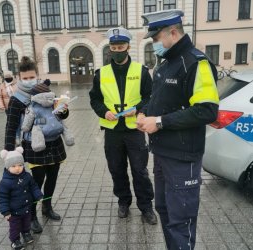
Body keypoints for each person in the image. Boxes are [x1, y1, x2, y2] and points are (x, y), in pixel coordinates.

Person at [137, 9, 220, 249]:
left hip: (183, 158)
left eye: (155, 39)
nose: (154, 44)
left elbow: (207, 110)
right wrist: (144, 112)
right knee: (163, 209)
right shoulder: (165, 64)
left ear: (172, 33)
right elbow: (160, 100)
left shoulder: (196, 62)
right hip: (162, 153)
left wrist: (160, 121)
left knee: (181, 220)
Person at [89, 27, 157, 225]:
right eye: (113, 47)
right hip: (112, 132)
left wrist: (137, 109)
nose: (117, 50)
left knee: (140, 170)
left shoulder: (141, 71)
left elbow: (150, 97)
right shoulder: (101, 74)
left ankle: (146, 206)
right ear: (109, 48)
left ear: (128, 47)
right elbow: (94, 99)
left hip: (135, 129)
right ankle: (123, 202)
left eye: (121, 46)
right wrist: (104, 112)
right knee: (116, 169)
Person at [4, 56, 68, 234]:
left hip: (54, 142)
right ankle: (31, 215)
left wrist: (64, 110)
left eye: (31, 76)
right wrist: (9, 152)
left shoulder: (46, 91)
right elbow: (10, 127)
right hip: (33, 146)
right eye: (25, 78)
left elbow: (59, 116)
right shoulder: (16, 100)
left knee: (52, 178)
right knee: (35, 182)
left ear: (37, 75)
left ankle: (47, 207)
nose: (28, 80)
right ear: (19, 78)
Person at [0, 146, 43, 250]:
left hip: (27, 208)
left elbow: (34, 187)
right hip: (14, 212)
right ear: (7, 167)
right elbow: (2, 198)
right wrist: (5, 211)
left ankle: (26, 233)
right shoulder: (5, 182)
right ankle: (15, 241)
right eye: (13, 166)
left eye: (20, 165)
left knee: (26, 223)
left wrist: (38, 195)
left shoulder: (27, 176)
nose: (17, 168)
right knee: (15, 227)